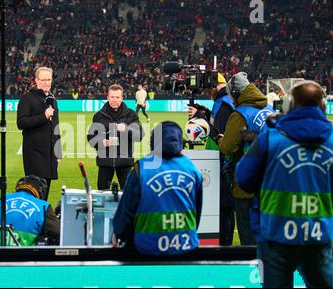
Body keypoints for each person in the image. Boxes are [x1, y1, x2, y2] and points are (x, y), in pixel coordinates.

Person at [235, 80, 332, 288]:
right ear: (323, 106)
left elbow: (243, 179)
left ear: (289, 105)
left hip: (276, 234)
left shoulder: (270, 137)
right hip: (319, 234)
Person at [112, 122, 203, 255]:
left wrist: (119, 233)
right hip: (186, 246)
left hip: (147, 248)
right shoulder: (192, 168)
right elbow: (197, 211)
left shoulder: (141, 168)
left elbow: (127, 210)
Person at [217, 72, 274, 246]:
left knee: (249, 242)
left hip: (247, 185)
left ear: (235, 93)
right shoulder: (270, 109)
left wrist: (220, 138)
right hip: (270, 183)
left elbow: (228, 147)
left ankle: (255, 272)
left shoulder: (240, 114)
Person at [188, 73, 236, 245]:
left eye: (210, 89)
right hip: (222, 159)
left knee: (224, 206)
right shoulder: (224, 102)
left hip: (222, 160)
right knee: (225, 206)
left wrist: (201, 119)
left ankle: (224, 243)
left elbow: (220, 133)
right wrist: (205, 112)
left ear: (218, 86)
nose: (209, 92)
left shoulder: (224, 104)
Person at [17, 67, 62, 201]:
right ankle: (34, 220)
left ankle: (41, 220)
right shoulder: (27, 98)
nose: (46, 83)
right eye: (43, 80)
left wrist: (58, 152)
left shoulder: (52, 99)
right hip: (34, 154)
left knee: (45, 193)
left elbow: (56, 127)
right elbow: (21, 123)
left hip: (50, 154)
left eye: (49, 79)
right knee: (35, 192)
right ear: (36, 80)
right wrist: (44, 116)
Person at [87, 84, 144, 190]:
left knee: (128, 194)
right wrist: (101, 142)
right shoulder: (99, 116)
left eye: (117, 97)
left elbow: (140, 135)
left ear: (122, 98)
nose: (114, 100)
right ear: (107, 98)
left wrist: (126, 129)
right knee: (102, 194)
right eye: (112, 97)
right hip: (105, 162)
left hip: (125, 162)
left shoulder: (131, 115)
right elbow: (91, 137)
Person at [0, 175, 60, 246]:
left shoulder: (2, 199)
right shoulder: (43, 206)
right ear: (40, 191)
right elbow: (58, 232)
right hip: (24, 253)